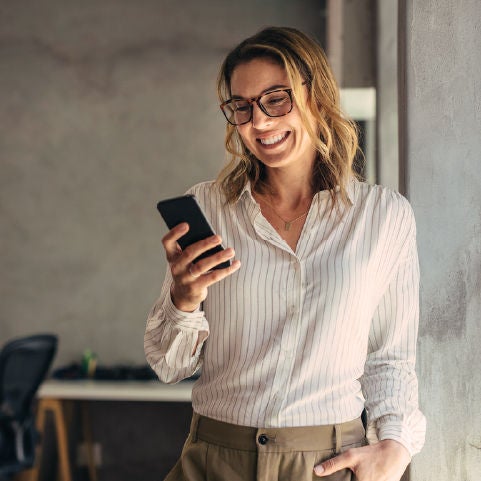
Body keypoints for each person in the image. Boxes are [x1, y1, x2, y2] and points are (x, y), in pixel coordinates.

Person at [144, 26, 425, 481]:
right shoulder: (210, 208)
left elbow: (389, 358)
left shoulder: (383, 216)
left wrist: (394, 447)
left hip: (325, 463)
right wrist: (184, 299)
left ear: (317, 97)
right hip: (214, 459)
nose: (259, 122)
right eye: (242, 106)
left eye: (277, 99)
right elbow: (170, 365)